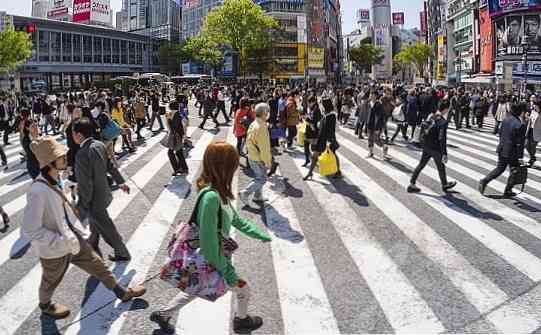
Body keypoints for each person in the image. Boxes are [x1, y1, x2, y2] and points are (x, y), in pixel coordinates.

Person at [150, 141, 271, 334]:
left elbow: (236, 219)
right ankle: (241, 322)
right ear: (224, 167)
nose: (236, 168)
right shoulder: (211, 198)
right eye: (233, 164)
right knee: (243, 289)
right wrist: (227, 270)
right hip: (212, 258)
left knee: (196, 287)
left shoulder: (219, 191)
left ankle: (163, 314)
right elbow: (208, 244)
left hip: (210, 260)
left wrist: (260, 234)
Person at [21, 136, 146, 319]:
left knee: (97, 264)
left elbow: (60, 208)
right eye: (61, 156)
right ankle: (45, 305)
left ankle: (121, 292)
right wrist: (59, 241)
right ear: (50, 162)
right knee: (50, 281)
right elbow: (30, 229)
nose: (65, 157)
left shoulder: (56, 180)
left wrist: (71, 192)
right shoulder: (37, 191)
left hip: (71, 237)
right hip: (55, 248)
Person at [72, 117, 132, 261]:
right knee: (95, 226)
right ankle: (93, 248)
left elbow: (86, 184)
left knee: (107, 229)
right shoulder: (99, 144)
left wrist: (81, 207)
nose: (72, 136)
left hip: (94, 200)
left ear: (79, 135)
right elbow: (110, 165)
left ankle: (122, 252)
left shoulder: (82, 154)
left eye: (73, 133)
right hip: (103, 193)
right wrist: (121, 182)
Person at [407, 100, 457, 193]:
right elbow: (442, 138)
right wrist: (444, 153)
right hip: (435, 148)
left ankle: (412, 183)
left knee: (421, 164)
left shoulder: (431, 116)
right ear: (446, 109)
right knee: (441, 166)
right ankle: (444, 184)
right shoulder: (442, 121)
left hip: (426, 145)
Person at [479, 103, 528, 197]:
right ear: (521, 112)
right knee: (515, 171)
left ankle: (484, 181)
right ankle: (508, 190)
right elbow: (519, 143)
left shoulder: (506, 120)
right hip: (512, 152)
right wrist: (520, 156)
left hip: (502, 148)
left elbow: (500, 133)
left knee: (499, 168)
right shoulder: (520, 125)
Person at [239, 103, 272, 205]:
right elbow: (264, 147)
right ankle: (245, 193)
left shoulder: (255, 123)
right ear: (264, 113)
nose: (268, 114)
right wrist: (267, 161)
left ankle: (257, 196)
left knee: (259, 177)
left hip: (252, 155)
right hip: (258, 157)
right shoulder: (261, 127)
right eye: (268, 111)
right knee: (262, 179)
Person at [304, 96, 342, 180]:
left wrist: (329, 141)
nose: (320, 105)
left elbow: (331, 130)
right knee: (315, 156)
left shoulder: (331, 116)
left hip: (327, 140)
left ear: (325, 105)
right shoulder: (326, 114)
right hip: (322, 139)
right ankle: (310, 173)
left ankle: (338, 171)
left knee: (332, 155)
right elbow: (321, 125)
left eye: (322, 104)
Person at [165, 106, 189, 176]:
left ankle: (177, 169)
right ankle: (184, 168)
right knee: (179, 152)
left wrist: (169, 119)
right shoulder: (177, 113)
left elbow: (173, 128)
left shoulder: (176, 115)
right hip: (178, 135)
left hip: (176, 136)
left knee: (170, 153)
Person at [365, 90, 389, 160]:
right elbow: (367, 113)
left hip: (376, 126)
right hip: (369, 124)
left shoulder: (379, 104)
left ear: (376, 96)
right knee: (370, 139)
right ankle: (371, 152)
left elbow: (380, 117)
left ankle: (384, 147)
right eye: (370, 94)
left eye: (372, 95)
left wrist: (378, 128)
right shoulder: (369, 103)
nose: (371, 96)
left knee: (376, 140)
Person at [303, 96, 322, 167]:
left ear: (313, 102)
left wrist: (307, 118)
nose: (308, 104)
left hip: (313, 132)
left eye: (309, 103)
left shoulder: (317, 110)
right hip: (308, 131)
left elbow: (314, 122)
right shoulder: (311, 108)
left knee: (314, 148)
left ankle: (318, 161)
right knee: (306, 145)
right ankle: (307, 160)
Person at [526, 99, 541, 167]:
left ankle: (531, 159)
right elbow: (530, 120)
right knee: (526, 145)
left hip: (537, 133)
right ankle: (533, 157)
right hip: (530, 130)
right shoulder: (532, 112)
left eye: (536, 106)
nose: (535, 107)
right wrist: (527, 117)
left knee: (532, 146)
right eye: (535, 105)